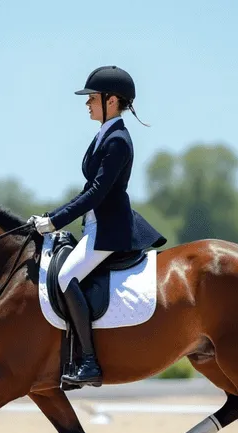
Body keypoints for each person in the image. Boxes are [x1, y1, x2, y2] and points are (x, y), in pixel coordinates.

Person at [29, 65, 168, 388]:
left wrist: (54, 221)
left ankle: (89, 362)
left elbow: (97, 193)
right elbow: (88, 191)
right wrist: (49, 217)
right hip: (95, 226)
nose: (87, 103)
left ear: (112, 100)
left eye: (92, 97)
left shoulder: (118, 140)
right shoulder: (104, 135)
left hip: (110, 231)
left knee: (66, 277)